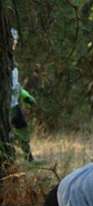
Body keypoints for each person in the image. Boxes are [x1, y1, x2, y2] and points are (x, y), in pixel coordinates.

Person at [9, 28, 35, 161]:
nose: (15, 43)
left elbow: (15, 84)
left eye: (15, 41)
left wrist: (25, 95)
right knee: (8, 134)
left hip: (13, 104)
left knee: (22, 128)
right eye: (13, 41)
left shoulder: (12, 61)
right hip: (5, 106)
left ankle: (28, 158)